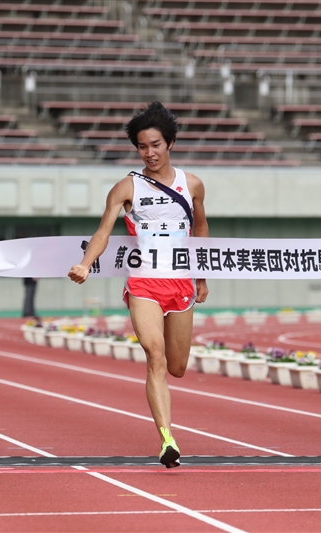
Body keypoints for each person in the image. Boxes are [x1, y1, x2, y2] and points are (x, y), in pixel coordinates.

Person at [68, 102, 209, 468]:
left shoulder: (191, 184)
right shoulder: (126, 188)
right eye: (142, 147)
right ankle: (167, 440)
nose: (149, 153)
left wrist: (202, 275)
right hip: (144, 283)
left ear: (171, 143)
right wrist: (85, 264)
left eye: (156, 145)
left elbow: (201, 231)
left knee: (177, 366)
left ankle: (167, 432)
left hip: (180, 285)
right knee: (155, 355)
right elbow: (102, 232)